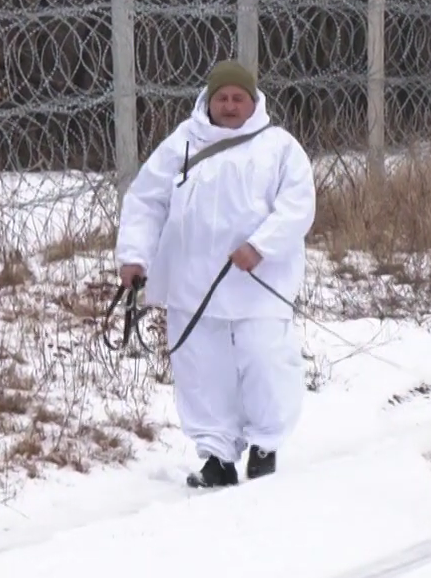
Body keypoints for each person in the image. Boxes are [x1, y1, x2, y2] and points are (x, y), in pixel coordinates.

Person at [115, 59, 317, 489]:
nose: (229, 106)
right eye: (221, 98)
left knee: (265, 361)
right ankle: (217, 457)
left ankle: (265, 444)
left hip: (258, 284)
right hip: (194, 284)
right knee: (202, 373)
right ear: (208, 101)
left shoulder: (279, 147)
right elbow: (146, 200)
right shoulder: (181, 144)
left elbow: (297, 205)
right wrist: (134, 257)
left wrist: (259, 246)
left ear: (252, 101)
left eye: (237, 98)